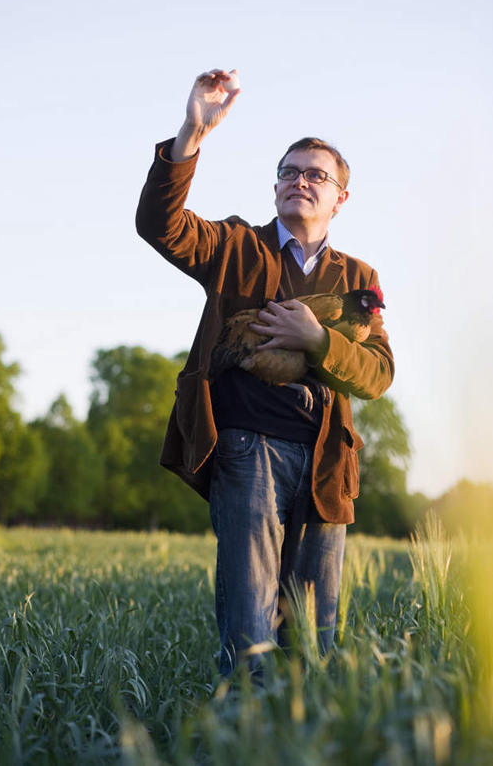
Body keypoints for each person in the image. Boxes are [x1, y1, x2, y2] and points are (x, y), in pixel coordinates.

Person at [136, 69, 394, 676]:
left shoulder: (358, 277)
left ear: (340, 198)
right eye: (288, 171)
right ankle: (241, 738)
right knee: (252, 633)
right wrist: (190, 134)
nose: (299, 181)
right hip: (248, 449)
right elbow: (160, 226)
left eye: (315, 174)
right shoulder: (236, 247)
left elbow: (378, 375)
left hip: (328, 462)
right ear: (276, 186)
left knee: (313, 639)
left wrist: (317, 340)